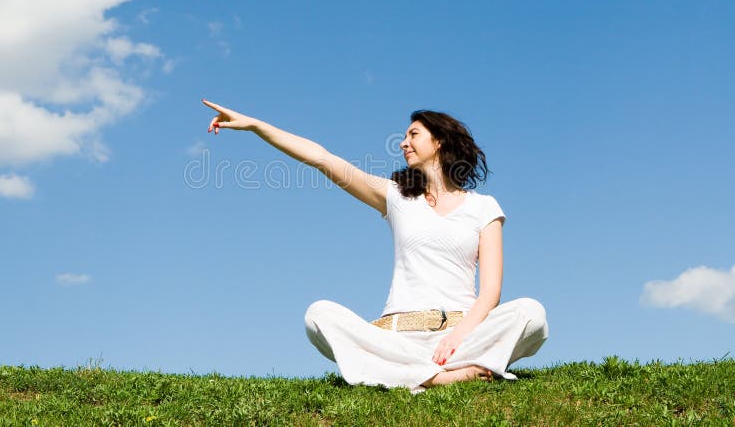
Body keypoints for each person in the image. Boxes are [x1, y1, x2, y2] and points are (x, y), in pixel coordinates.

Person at [202, 98, 549, 395]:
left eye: (413, 134)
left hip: (460, 338)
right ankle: (450, 377)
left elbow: (491, 292)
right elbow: (323, 158)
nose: (403, 143)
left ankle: (416, 375)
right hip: (397, 339)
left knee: (532, 314)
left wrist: (457, 337)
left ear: (440, 141)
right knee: (318, 315)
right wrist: (255, 126)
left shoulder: (483, 207)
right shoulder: (395, 197)